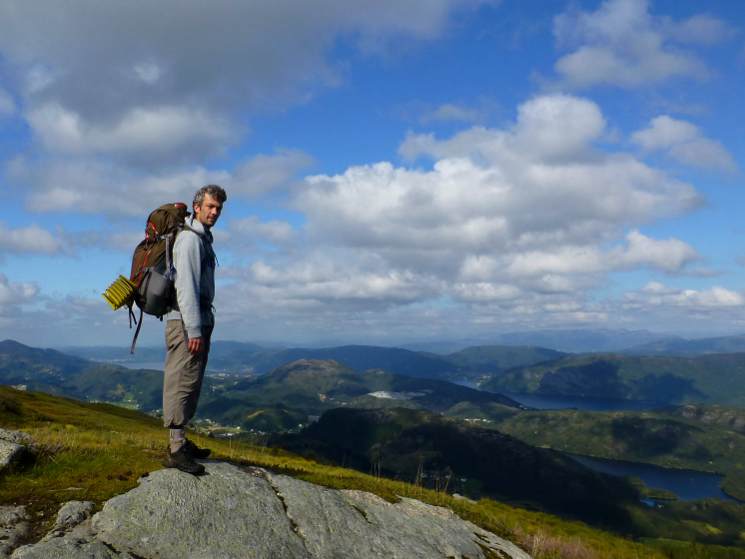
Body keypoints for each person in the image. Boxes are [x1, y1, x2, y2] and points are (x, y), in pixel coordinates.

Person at [162, 184, 227, 474]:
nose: (214, 212)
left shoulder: (202, 239)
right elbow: (185, 287)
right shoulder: (189, 241)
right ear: (196, 206)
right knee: (181, 382)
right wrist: (195, 329)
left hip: (196, 320)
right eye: (210, 206)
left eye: (218, 208)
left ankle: (181, 441)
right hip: (187, 322)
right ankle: (175, 450)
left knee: (191, 382)